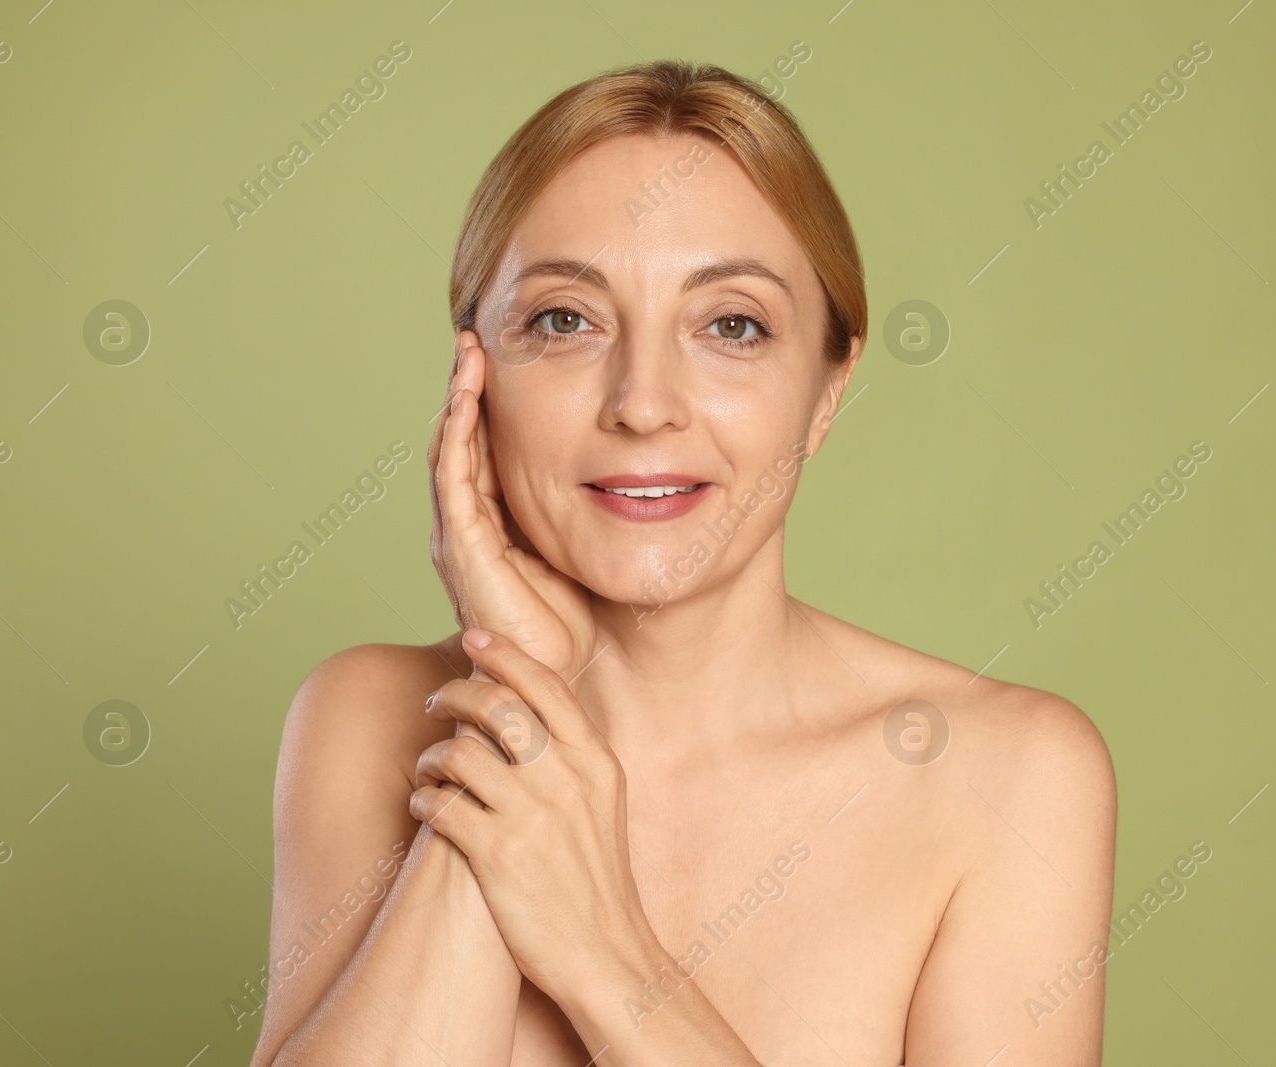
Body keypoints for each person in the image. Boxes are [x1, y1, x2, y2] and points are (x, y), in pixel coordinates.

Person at [249, 58, 1116, 1067]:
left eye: (731, 325)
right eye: (564, 320)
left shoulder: (1004, 776)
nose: (644, 402)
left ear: (827, 389)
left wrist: (601, 946)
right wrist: (521, 703)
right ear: (471, 376)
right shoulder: (364, 716)